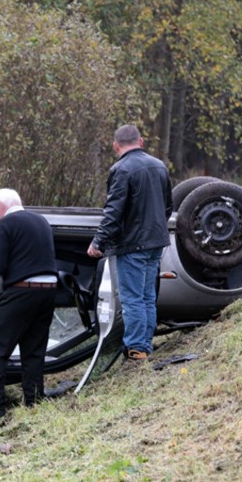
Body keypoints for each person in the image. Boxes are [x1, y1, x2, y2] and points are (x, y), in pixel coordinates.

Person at [88, 125, 172, 360]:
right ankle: (144, 345)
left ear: (116, 146)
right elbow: (168, 206)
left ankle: (136, 349)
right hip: (156, 242)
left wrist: (98, 242)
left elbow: (113, 211)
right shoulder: (159, 166)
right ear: (141, 141)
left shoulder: (121, 169)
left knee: (132, 298)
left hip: (132, 245)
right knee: (147, 297)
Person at [0, 188, 58, 417]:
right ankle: (34, 402)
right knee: (33, 351)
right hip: (48, 291)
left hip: (21, 291)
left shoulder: (5, 225)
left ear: (1, 206)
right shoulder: (41, 221)